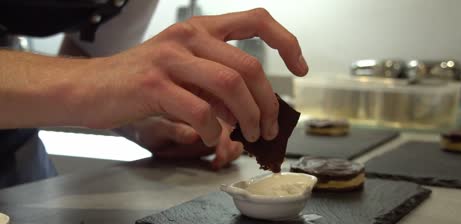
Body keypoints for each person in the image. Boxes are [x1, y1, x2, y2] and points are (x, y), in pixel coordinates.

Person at [0, 1, 308, 187]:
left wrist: (139, 121)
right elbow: (96, 74)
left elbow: (89, 56)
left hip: (16, 156)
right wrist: (99, 78)